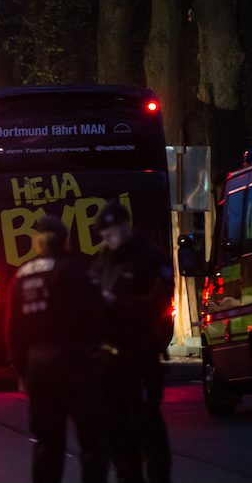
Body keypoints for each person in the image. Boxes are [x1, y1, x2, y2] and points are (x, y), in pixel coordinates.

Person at [6, 215, 108, 483]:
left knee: (48, 441)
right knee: (92, 440)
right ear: (66, 241)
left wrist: (22, 370)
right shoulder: (76, 270)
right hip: (77, 363)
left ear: (37, 243)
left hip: (39, 366)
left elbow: (14, 328)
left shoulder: (22, 275)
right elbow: (96, 314)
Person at [93, 201, 174, 483]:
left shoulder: (151, 258)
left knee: (147, 423)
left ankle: (158, 477)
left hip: (139, 355)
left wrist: (116, 304)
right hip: (108, 360)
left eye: (111, 233)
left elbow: (157, 304)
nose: (107, 239)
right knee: (117, 430)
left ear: (125, 226)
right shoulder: (103, 259)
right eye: (103, 235)